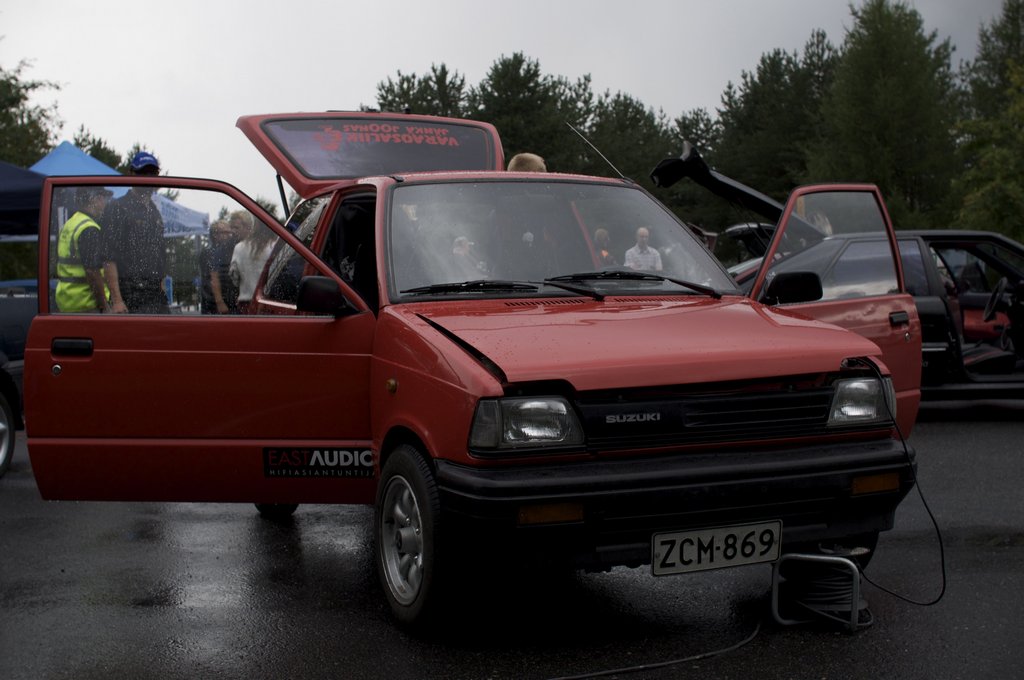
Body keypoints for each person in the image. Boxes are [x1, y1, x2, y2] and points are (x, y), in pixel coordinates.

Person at [102, 151, 168, 313]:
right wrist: (117, 300)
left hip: (155, 295)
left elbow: (159, 254)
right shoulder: (117, 207)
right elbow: (108, 257)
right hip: (129, 295)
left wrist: (162, 288)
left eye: (152, 173)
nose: (148, 178)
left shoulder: (154, 211)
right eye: (143, 173)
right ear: (131, 174)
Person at [55, 186, 114, 312]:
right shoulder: (88, 228)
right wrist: (104, 305)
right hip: (86, 304)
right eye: (103, 198)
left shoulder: (70, 224)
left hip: (67, 301)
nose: (104, 203)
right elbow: (92, 272)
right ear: (95, 199)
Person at [229, 212, 275, 313]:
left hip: (246, 302)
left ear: (253, 227)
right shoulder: (275, 246)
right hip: (269, 302)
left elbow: (234, 277)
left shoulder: (239, 247)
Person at [199, 219, 239, 314]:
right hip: (213, 303)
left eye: (230, 232)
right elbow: (211, 279)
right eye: (225, 232)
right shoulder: (208, 253)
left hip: (228, 300)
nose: (229, 235)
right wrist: (219, 301)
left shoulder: (229, 250)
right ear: (215, 235)